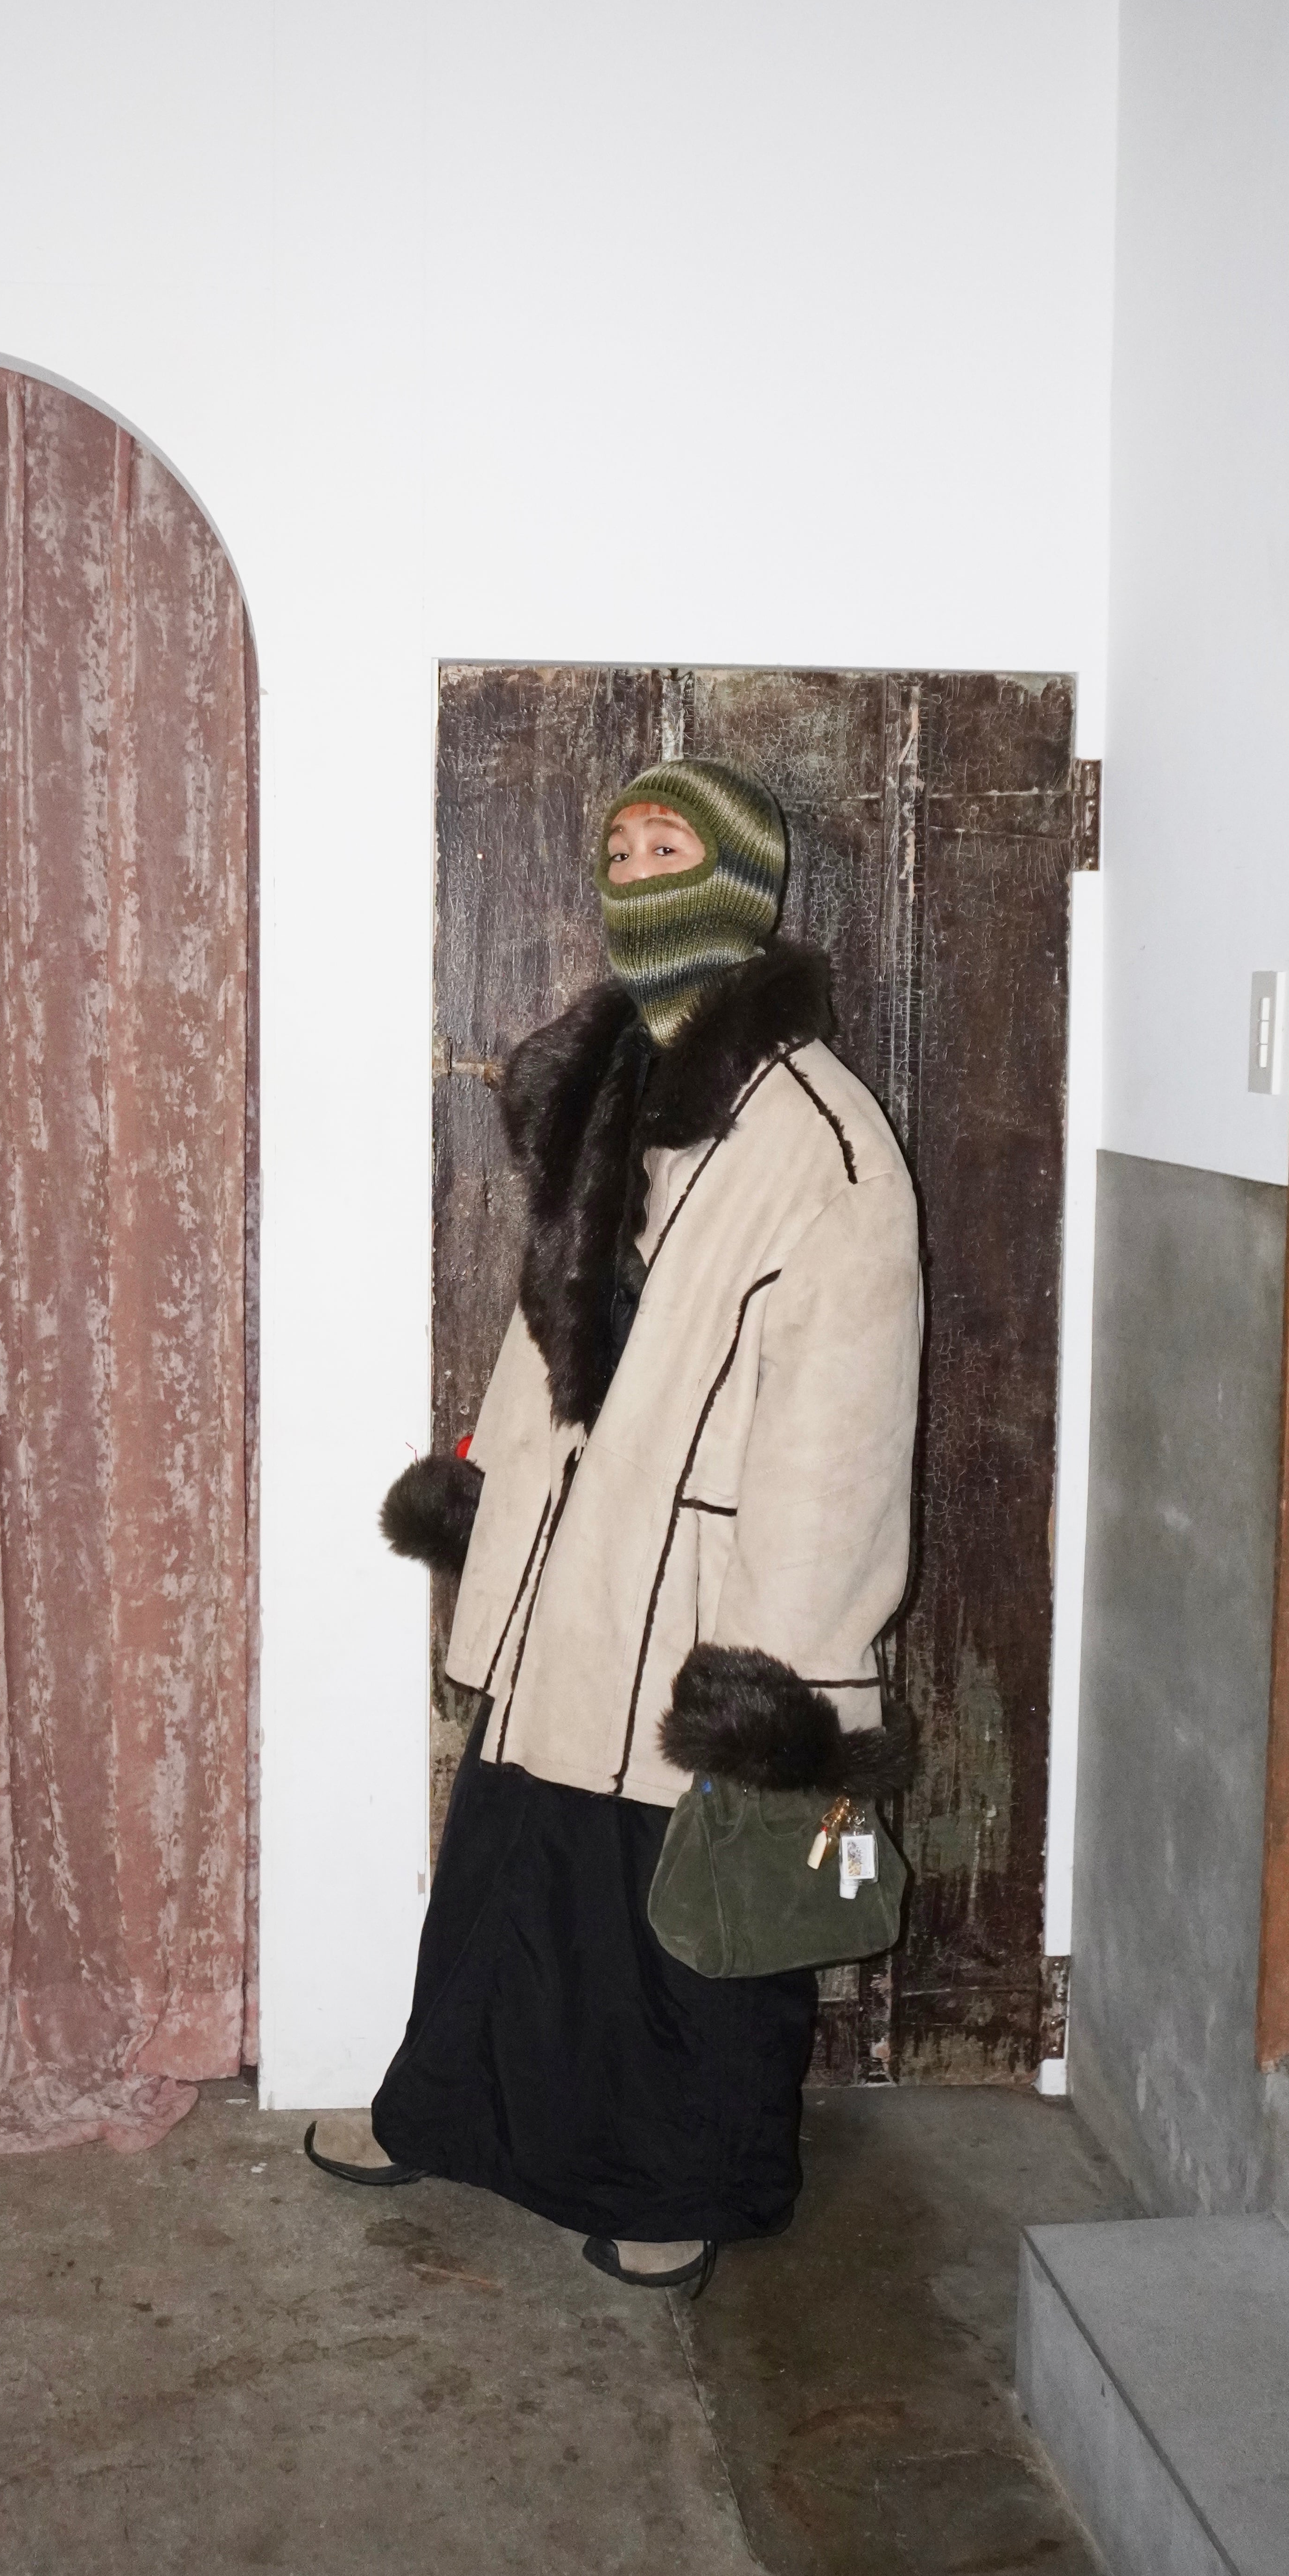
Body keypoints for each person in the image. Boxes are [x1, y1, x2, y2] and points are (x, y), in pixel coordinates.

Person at [307, 760, 923, 2291]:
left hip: (708, 1601)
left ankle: (680, 2183)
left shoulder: (825, 1140)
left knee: (685, 1919)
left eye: (674, 849)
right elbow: (546, 1339)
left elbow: (844, 1429)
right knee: (513, 1864)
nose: (641, 874)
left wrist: (784, 1668)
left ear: (744, 883)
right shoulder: (614, 1086)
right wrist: (493, 1508)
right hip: (566, 1575)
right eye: (624, 851)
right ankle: (453, 2116)